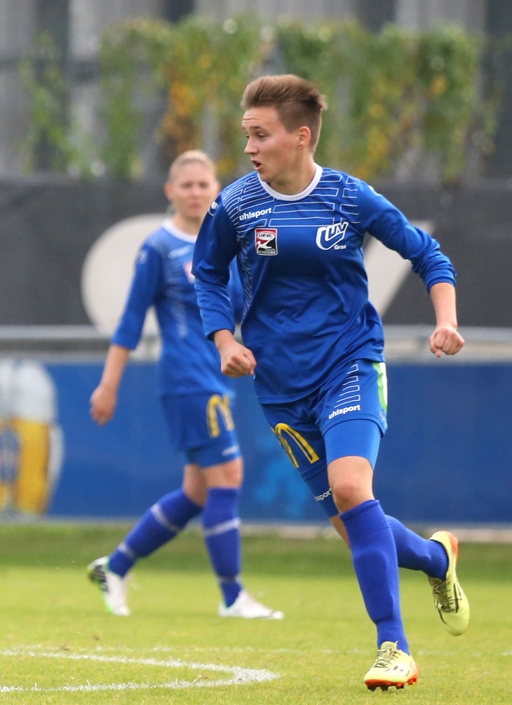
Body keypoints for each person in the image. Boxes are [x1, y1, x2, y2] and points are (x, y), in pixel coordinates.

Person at [193, 74, 469, 690]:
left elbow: (428, 255)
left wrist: (446, 319)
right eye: (246, 135)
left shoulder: (349, 198)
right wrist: (225, 339)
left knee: (351, 488)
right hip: (280, 387)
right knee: (354, 523)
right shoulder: (237, 205)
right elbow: (207, 276)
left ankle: (393, 646)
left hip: (349, 363)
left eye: (260, 135)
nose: (250, 148)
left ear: (301, 136)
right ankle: (435, 556)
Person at [86, 150, 282, 621]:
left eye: (204, 184)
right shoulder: (159, 247)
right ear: (170, 191)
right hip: (188, 381)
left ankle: (115, 566)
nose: (196, 193)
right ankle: (233, 596)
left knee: (198, 491)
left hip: (216, 378)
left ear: (217, 189)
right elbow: (131, 321)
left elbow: (245, 309)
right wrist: (108, 385)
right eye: (187, 185)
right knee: (229, 477)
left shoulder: (226, 246)